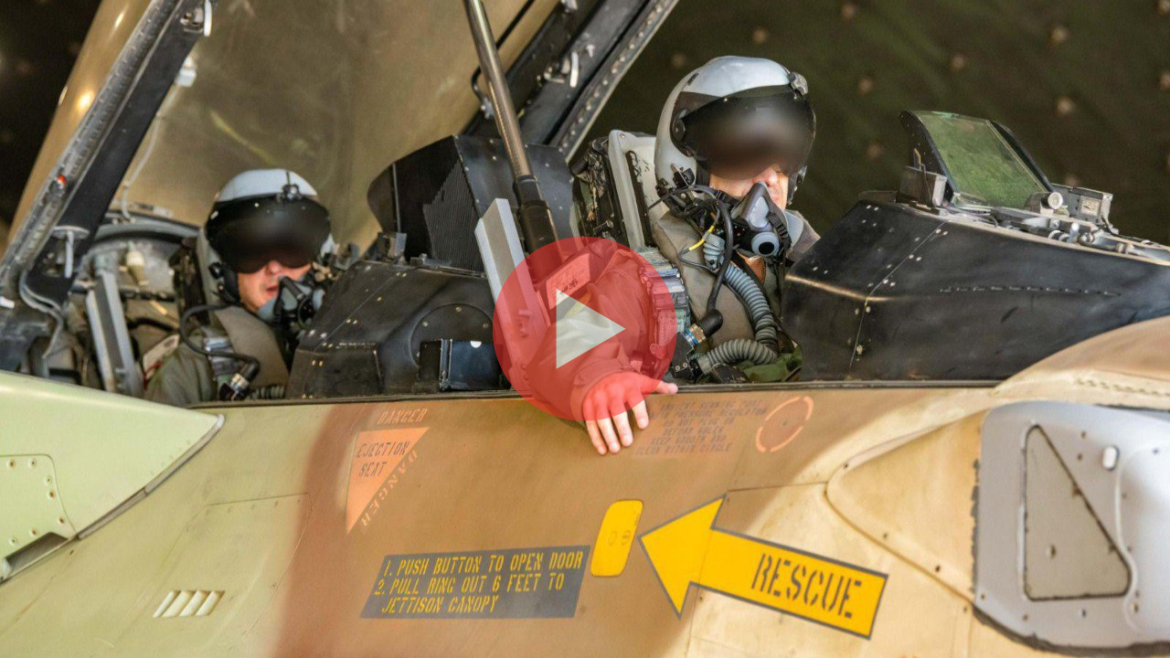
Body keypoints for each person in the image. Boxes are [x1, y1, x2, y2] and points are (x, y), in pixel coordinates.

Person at [581, 56, 819, 454]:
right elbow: (561, 339)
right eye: (746, 155)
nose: (770, 178)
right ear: (687, 167)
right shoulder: (644, 277)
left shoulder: (817, 258)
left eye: (785, 159)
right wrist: (599, 378)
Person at [145, 169, 333, 407]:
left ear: (319, 260)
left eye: (291, 248)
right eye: (250, 250)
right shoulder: (193, 365)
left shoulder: (351, 338)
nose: (274, 268)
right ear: (224, 270)